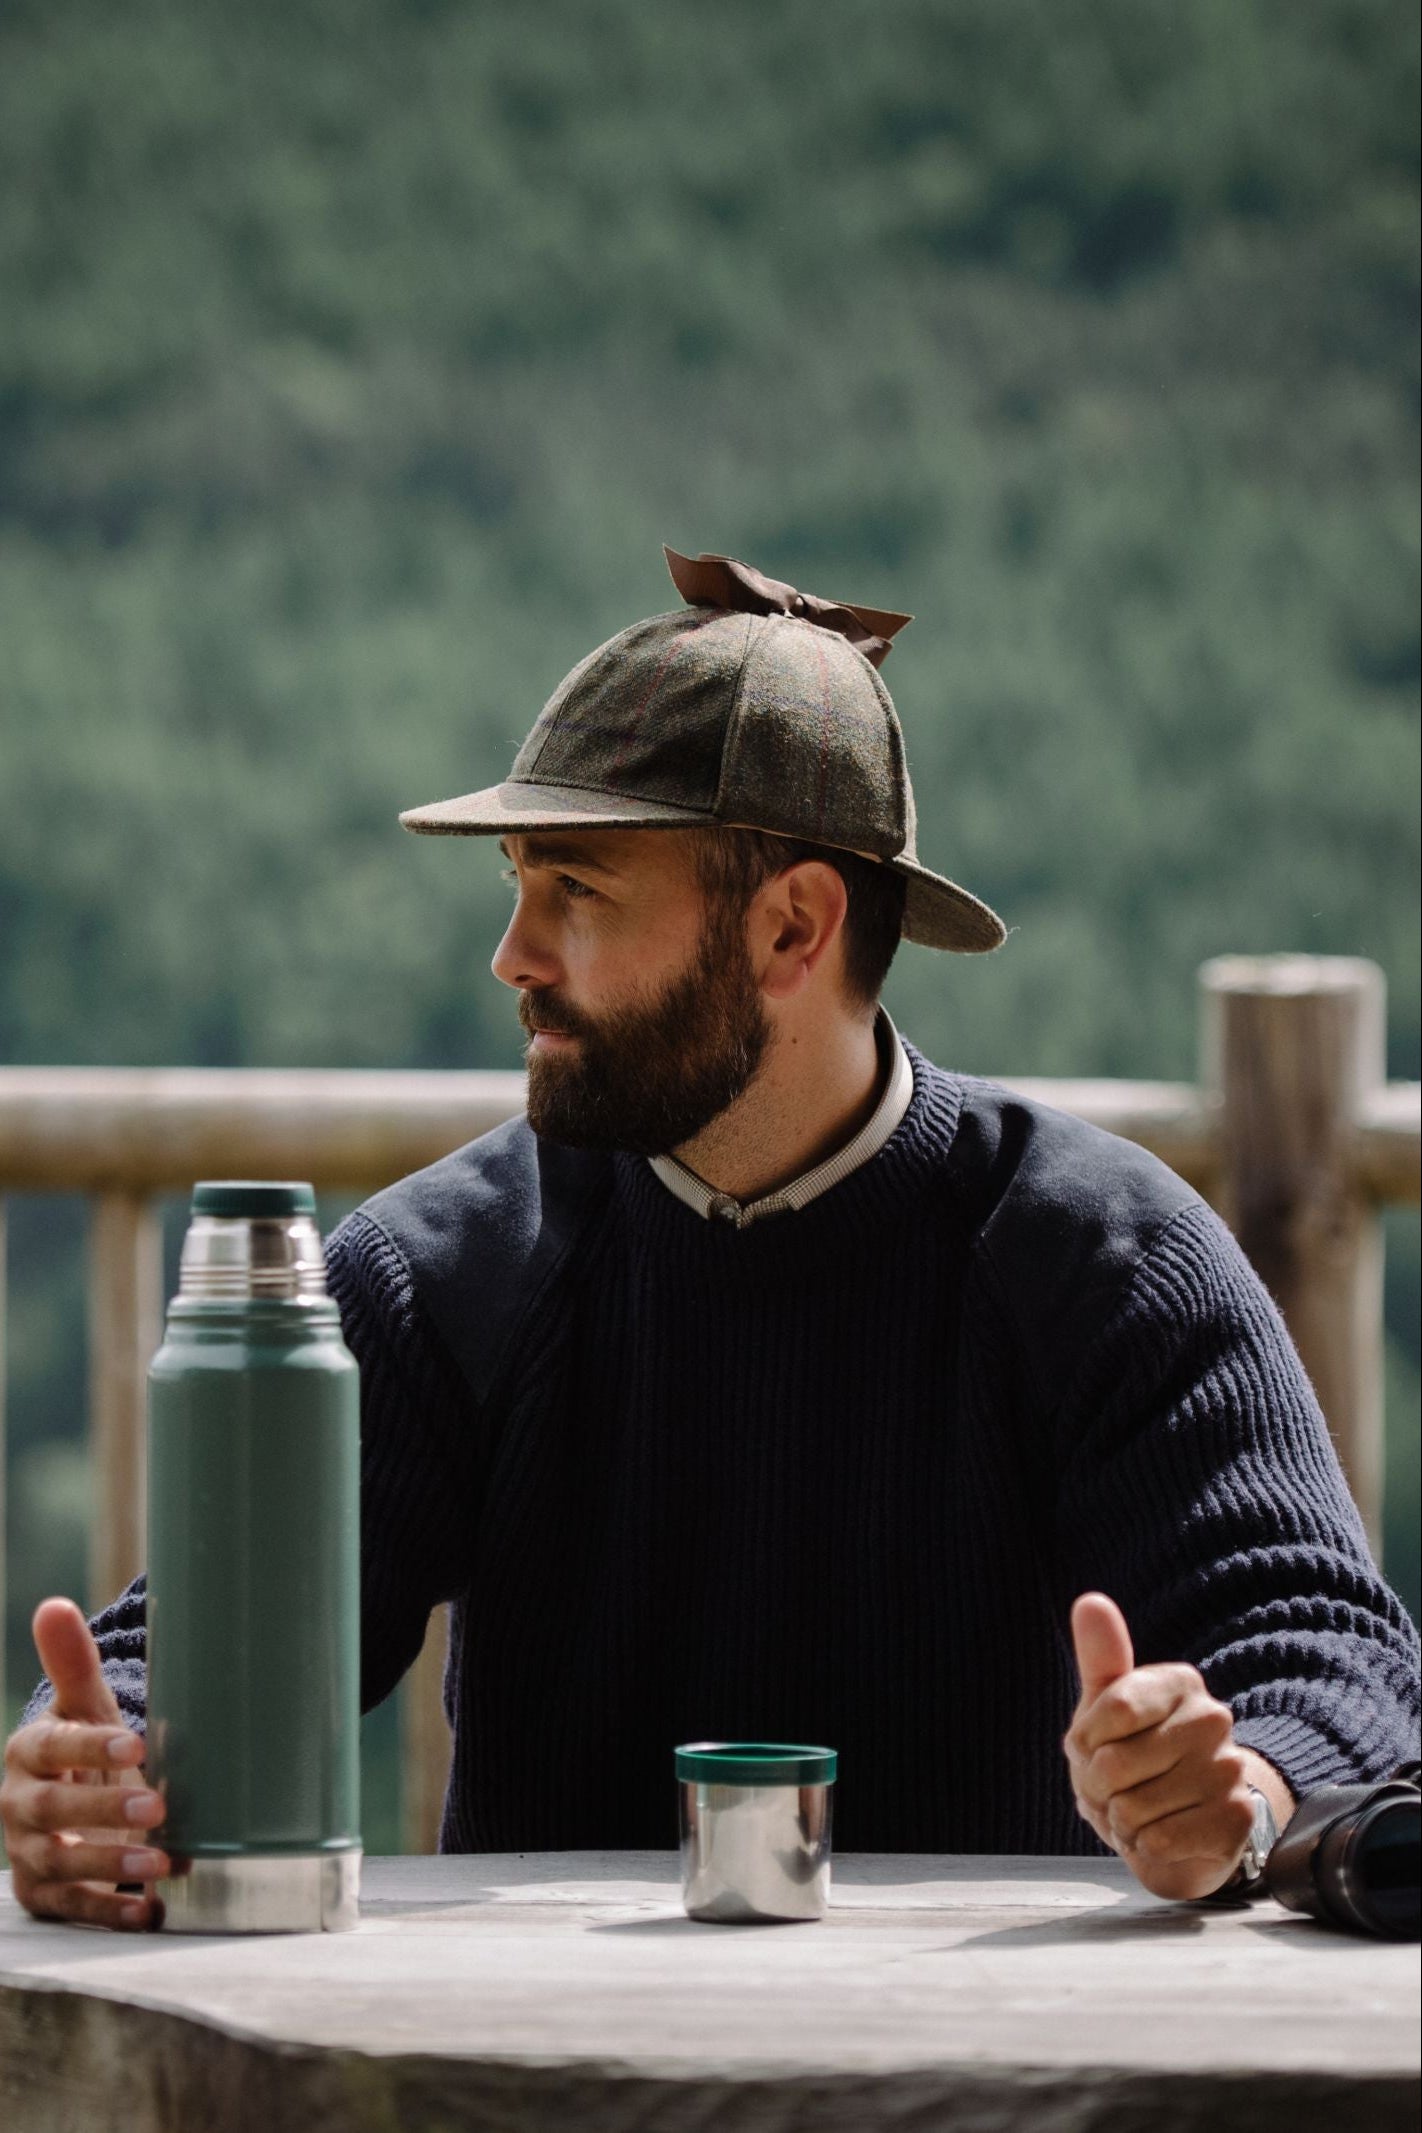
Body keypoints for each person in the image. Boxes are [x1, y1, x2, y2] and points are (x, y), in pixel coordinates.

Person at [5, 547, 1419, 1933]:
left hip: (992, 2077)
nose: (511, 952)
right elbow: (170, 1672)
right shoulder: (449, 1269)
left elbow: (1329, 1649)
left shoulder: (1101, 1258)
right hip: (517, 2081)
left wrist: (1236, 1783)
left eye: (577, 891)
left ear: (791, 927)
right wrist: (99, 1772)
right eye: (514, 882)